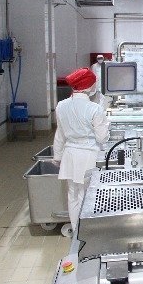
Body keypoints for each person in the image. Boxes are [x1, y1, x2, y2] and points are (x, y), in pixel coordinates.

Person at [53, 68, 110, 235]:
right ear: (88, 86)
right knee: (88, 194)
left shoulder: (61, 106)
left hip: (70, 154)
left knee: (73, 195)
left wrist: (57, 156)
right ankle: (88, 233)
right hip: (89, 155)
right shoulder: (94, 108)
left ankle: (77, 231)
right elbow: (102, 138)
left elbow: (60, 134)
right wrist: (107, 126)